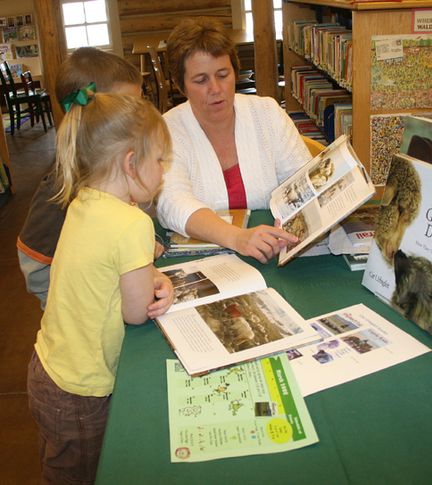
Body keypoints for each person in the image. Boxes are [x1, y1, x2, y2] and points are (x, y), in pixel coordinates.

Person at [27, 89, 174, 484]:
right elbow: (137, 310)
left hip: (48, 369)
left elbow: (106, 272)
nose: (163, 170)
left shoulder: (83, 201)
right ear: (131, 163)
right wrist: (164, 286)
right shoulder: (132, 224)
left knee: (58, 467)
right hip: (81, 392)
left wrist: (150, 274)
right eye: (159, 160)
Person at [16, 47, 165, 309]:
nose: (138, 117)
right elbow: (35, 264)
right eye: (128, 107)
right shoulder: (60, 186)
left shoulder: (115, 171)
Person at [157, 17, 311, 263]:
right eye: (201, 80)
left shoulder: (267, 113)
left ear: (235, 72)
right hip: (210, 262)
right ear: (181, 85)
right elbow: (172, 203)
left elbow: (303, 182)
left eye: (223, 74)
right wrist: (238, 238)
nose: (216, 88)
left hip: (272, 251)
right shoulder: (167, 129)